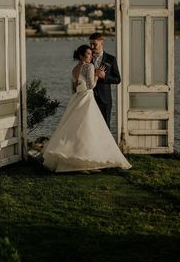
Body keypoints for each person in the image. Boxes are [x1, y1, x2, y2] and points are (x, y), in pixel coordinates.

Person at [42, 44, 131, 173]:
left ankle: (77, 161)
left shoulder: (74, 69)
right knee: (89, 130)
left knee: (76, 130)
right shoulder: (89, 67)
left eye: (91, 54)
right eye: (88, 54)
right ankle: (87, 162)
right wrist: (97, 74)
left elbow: (74, 89)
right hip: (87, 99)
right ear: (81, 56)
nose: (91, 57)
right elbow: (90, 86)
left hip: (77, 99)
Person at [89, 32, 121, 127]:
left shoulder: (111, 59)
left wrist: (104, 77)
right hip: (90, 98)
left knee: (105, 127)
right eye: (90, 44)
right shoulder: (87, 58)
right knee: (91, 127)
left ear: (102, 43)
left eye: (94, 44)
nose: (92, 46)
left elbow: (117, 79)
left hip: (105, 100)